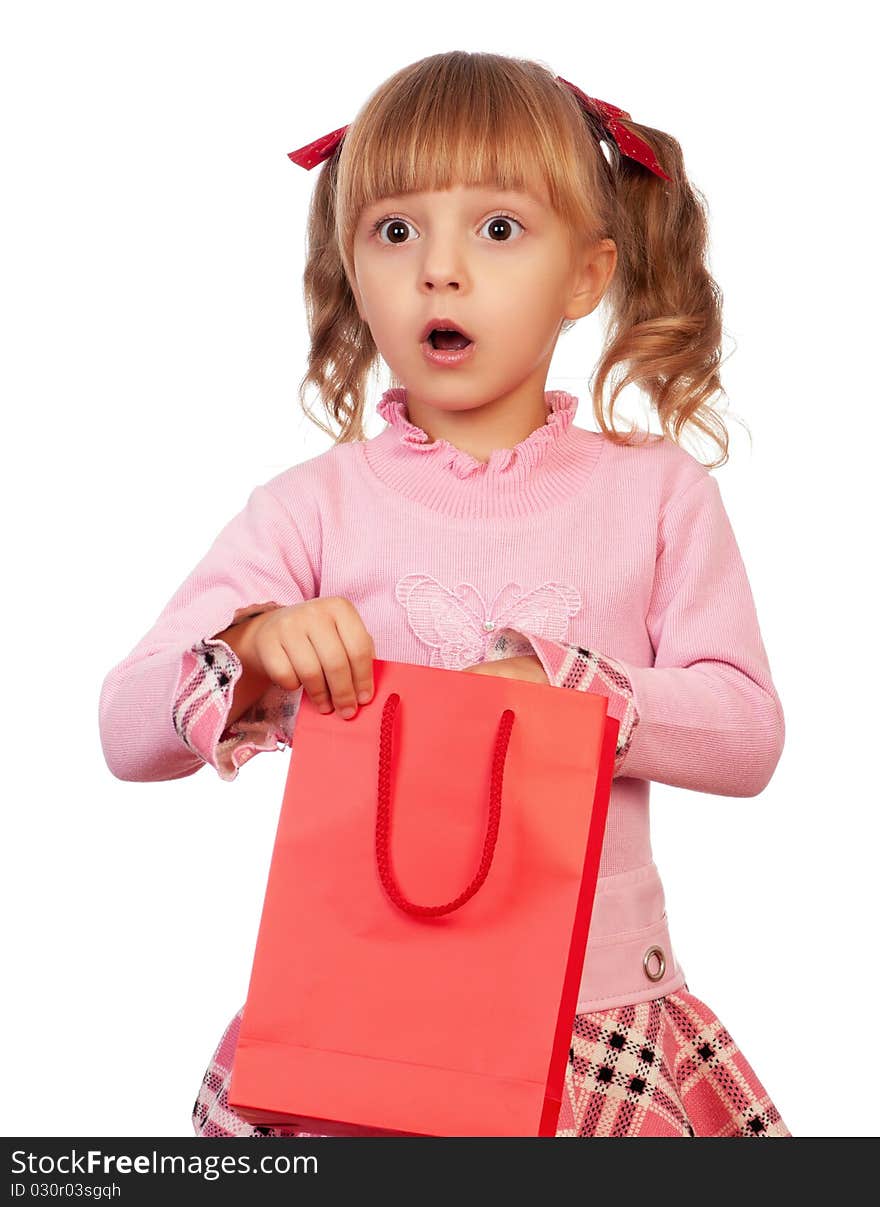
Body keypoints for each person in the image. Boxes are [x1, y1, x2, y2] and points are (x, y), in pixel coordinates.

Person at [99, 50, 791, 1138]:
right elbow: (123, 728)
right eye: (395, 230)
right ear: (351, 266)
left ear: (586, 273)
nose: (440, 270)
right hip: (363, 1021)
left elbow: (746, 732)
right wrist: (259, 647)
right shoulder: (311, 509)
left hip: (592, 1023)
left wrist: (569, 689)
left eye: (498, 229)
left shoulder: (656, 494)